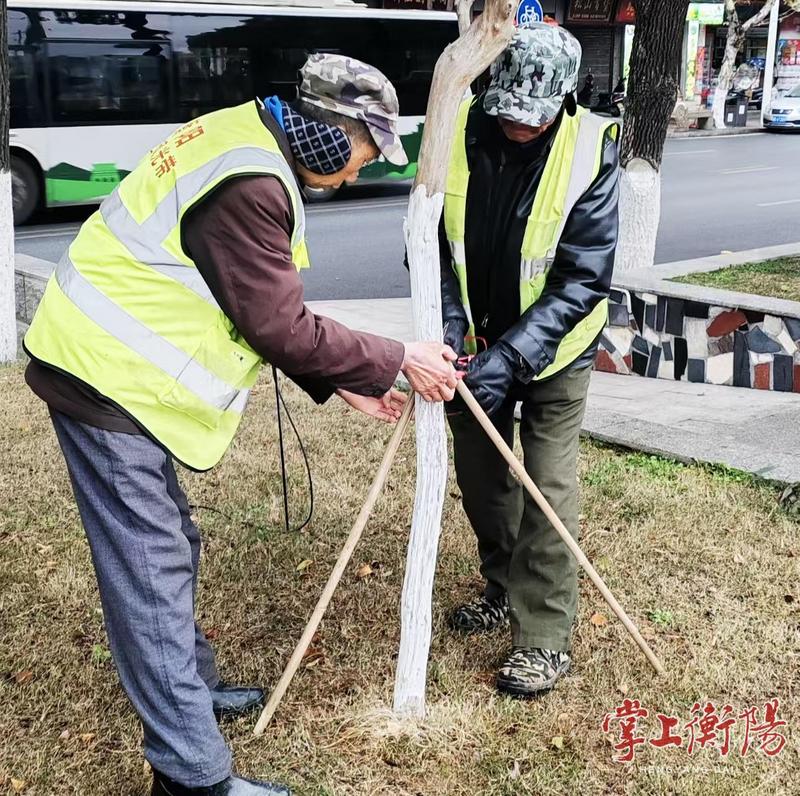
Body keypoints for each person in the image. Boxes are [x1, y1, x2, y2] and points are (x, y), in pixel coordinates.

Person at [23, 54, 459, 796]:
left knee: (170, 546)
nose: (361, 171)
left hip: (116, 372)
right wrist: (395, 359)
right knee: (151, 571)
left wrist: (339, 380)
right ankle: (192, 777)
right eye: (364, 152)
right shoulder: (251, 184)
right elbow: (277, 325)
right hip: (105, 376)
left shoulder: (244, 137)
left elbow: (248, 304)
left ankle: (187, 687)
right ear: (332, 132)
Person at [440, 25, 620, 698]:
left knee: (546, 484)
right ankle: (502, 584)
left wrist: (514, 357)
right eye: (507, 110)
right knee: (482, 476)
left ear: (564, 101)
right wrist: (452, 328)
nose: (518, 125)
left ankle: (542, 635)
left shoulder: (590, 151)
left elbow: (582, 279)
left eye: (533, 116)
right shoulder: (455, 131)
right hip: (472, 344)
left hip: (556, 353)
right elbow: (429, 243)